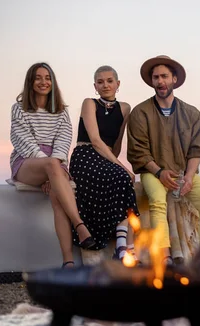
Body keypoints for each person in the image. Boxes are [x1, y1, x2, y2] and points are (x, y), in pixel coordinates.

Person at [127, 55, 200, 263]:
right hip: (153, 172)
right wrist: (159, 172)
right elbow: (138, 151)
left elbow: (196, 151)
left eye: (165, 76)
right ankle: (164, 257)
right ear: (152, 81)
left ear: (174, 79)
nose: (160, 81)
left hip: (182, 173)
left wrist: (189, 177)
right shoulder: (140, 112)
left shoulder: (192, 114)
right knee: (158, 201)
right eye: (156, 77)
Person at [9, 62, 97, 268]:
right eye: (38, 78)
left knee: (58, 198)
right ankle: (80, 225)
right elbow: (22, 140)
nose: (43, 82)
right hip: (26, 161)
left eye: (47, 78)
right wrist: (49, 167)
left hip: (55, 163)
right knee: (50, 164)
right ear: (30, 82)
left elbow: (64, 142)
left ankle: (68, 262)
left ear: (53, 82)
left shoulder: (61, 112)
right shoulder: (19, 109)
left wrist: (53, 170)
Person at [69, 65, 139, 261]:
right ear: (95, 86)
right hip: (85, 155)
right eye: (100, 82)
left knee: (121, 179)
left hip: (105, 157)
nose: (105, 85)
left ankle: (123, 246)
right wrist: (122, 167)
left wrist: (116, 164)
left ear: (118, 84)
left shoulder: (125, 108)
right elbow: (95, 140)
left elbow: (116, 145)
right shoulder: (89, 103)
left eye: (109, 81)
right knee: (122, 175)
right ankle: (125, 247)